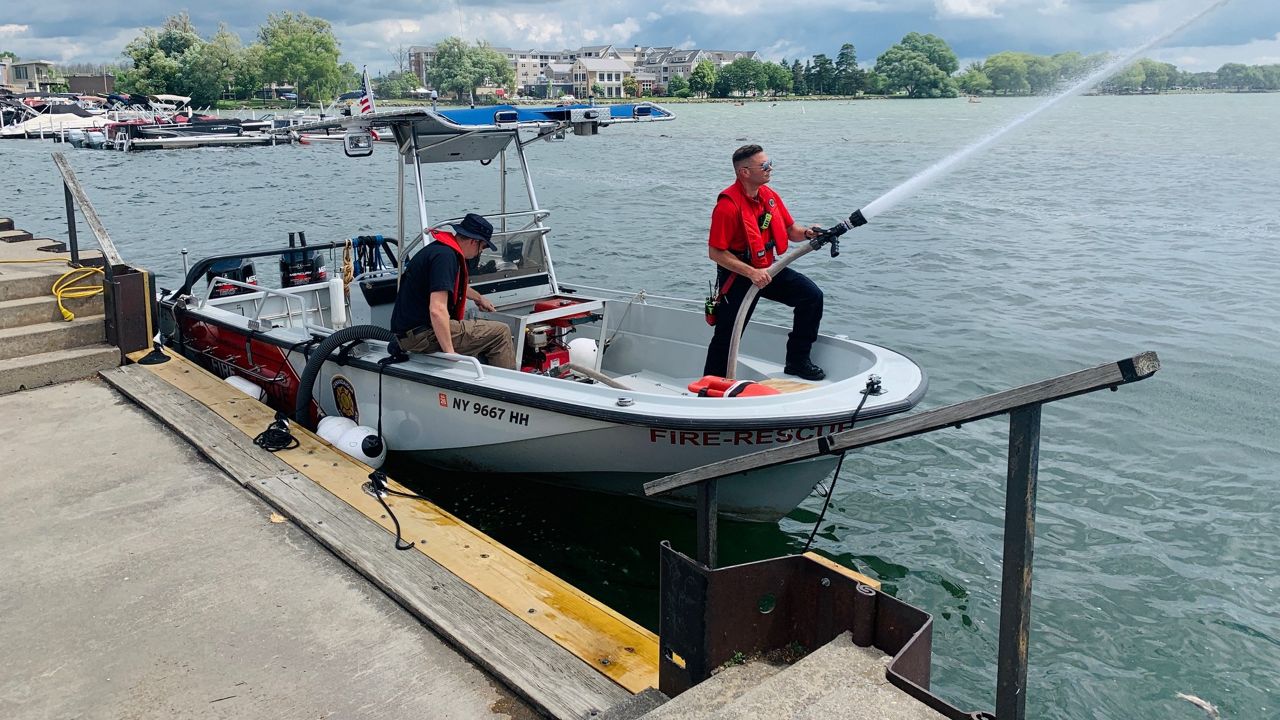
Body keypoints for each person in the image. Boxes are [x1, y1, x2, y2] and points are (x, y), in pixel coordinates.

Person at [703, 144, 826, 381]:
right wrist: (750, 272)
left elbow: (791, 230)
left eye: (770, 163)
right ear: (745, 172)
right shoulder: (727, 206)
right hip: (737, 276)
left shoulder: (769, 196)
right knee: (727, 336)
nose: (771, 169)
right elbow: (716, 253)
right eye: (764, 166)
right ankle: (710, 387)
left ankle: (798, 361)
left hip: (768, 270)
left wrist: (810, 233)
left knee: (811, 296)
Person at [390, 213, 516, 369]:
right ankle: (505, 387)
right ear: (473, 241)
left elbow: (451, 285)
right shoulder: (446, 258)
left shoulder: (439, 250)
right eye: (482, 247)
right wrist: (450, 353)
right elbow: (437, 309)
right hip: (422, 335)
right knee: (501, 333)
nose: (480, 252)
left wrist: (479, 298)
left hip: (410, 333)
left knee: (486, 331)